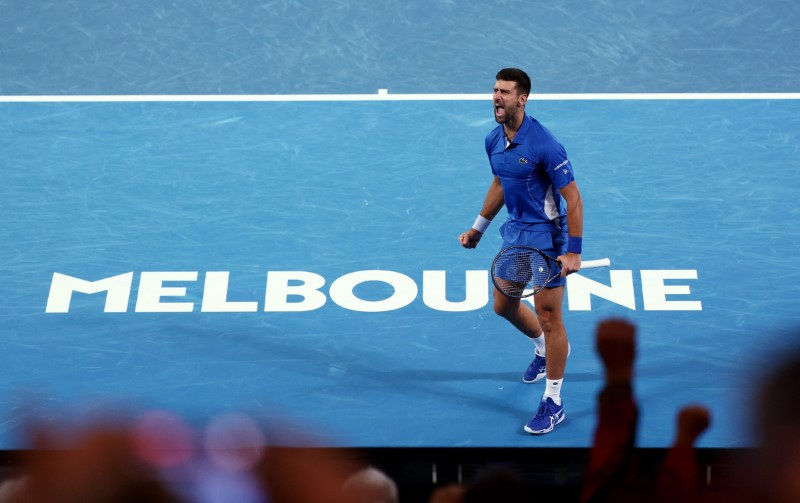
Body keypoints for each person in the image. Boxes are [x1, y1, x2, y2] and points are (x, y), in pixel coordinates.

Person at [459, 68, 583, 434]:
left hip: (547, 238)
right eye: (494, 90)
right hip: (515, 234)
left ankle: (554, 401)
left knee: (550, 317)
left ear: (522, 99)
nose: (496, 98)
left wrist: (573, 251)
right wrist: (478, 228)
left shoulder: (545, 144)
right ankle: (543, 350)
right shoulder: (492, 140)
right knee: (503, 306)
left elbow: (573, 199)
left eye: (505, 93)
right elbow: (501, 181)